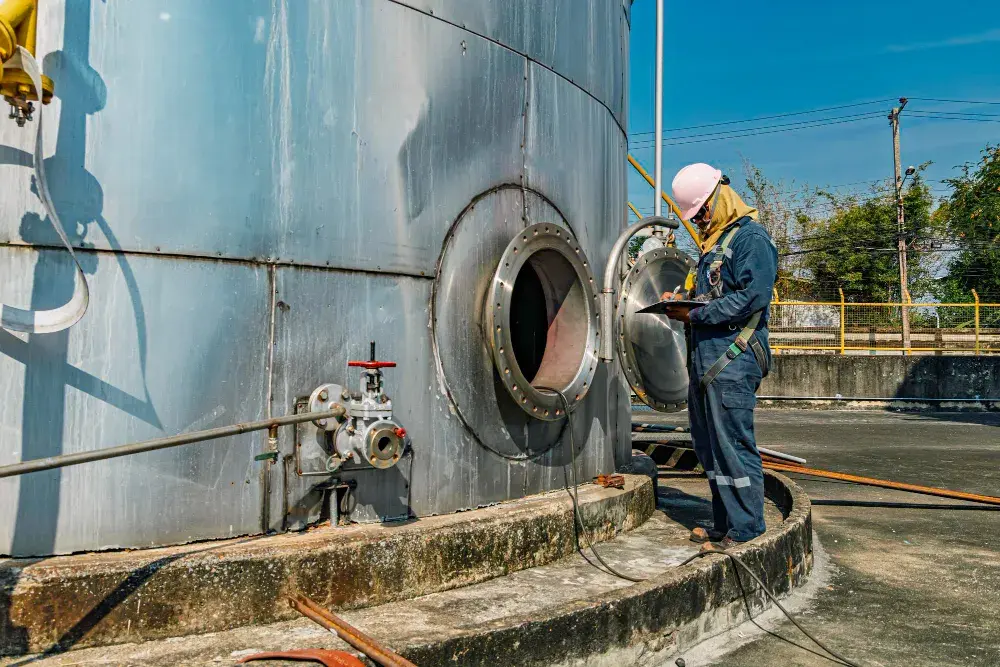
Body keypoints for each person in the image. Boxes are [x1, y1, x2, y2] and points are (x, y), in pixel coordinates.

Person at [659, 163, 778, 549]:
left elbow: (753, 296)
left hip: (733, 357)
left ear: (718, 196)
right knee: (709, 446)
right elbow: (711, 294)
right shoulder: (713, 247)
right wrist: (678, 303)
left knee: (733, 445)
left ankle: (747, 528)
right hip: (707, 359)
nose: (702, 220)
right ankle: (726, 523)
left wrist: (696, 313)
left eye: (702, 212)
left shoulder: (750, 239)